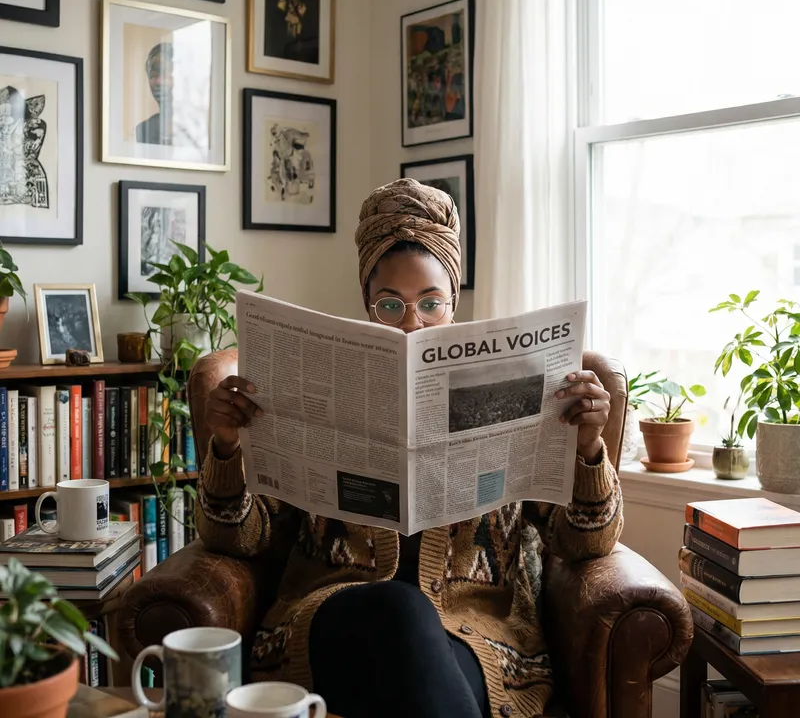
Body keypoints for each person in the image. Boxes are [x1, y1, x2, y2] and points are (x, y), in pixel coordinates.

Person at [197, 179, 623, 718]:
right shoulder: (315, 383)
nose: (411, 323)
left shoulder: (518, 384)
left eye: (430, 304)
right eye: (390, 304)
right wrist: (228, 446)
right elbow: (234, 538)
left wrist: (587, 452)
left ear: (454, 303)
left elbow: (588, 547)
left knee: (415, 657)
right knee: (399, 611)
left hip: (473, 640)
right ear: (366, 304)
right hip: (333, 621)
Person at [136, 42, 174, 145]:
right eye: (153, 75)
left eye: (166, 74)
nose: (158, 82)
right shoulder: (144, 130)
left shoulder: (199, 129)